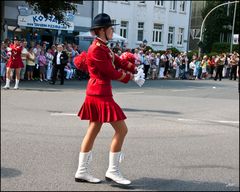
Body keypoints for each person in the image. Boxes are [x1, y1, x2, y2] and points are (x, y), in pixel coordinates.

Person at [74, 13, 144, 185]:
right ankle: (112, 171)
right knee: (122, 129)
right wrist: (130, 78)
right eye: (110, 28)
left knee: (93, 129)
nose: (113, 30)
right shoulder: (96, 49)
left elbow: (118, 61)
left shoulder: (103, 46)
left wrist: (135, 69)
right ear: (102, 30)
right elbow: (109, 71)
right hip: (99, 94)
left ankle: (82, 171)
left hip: (99, 93)